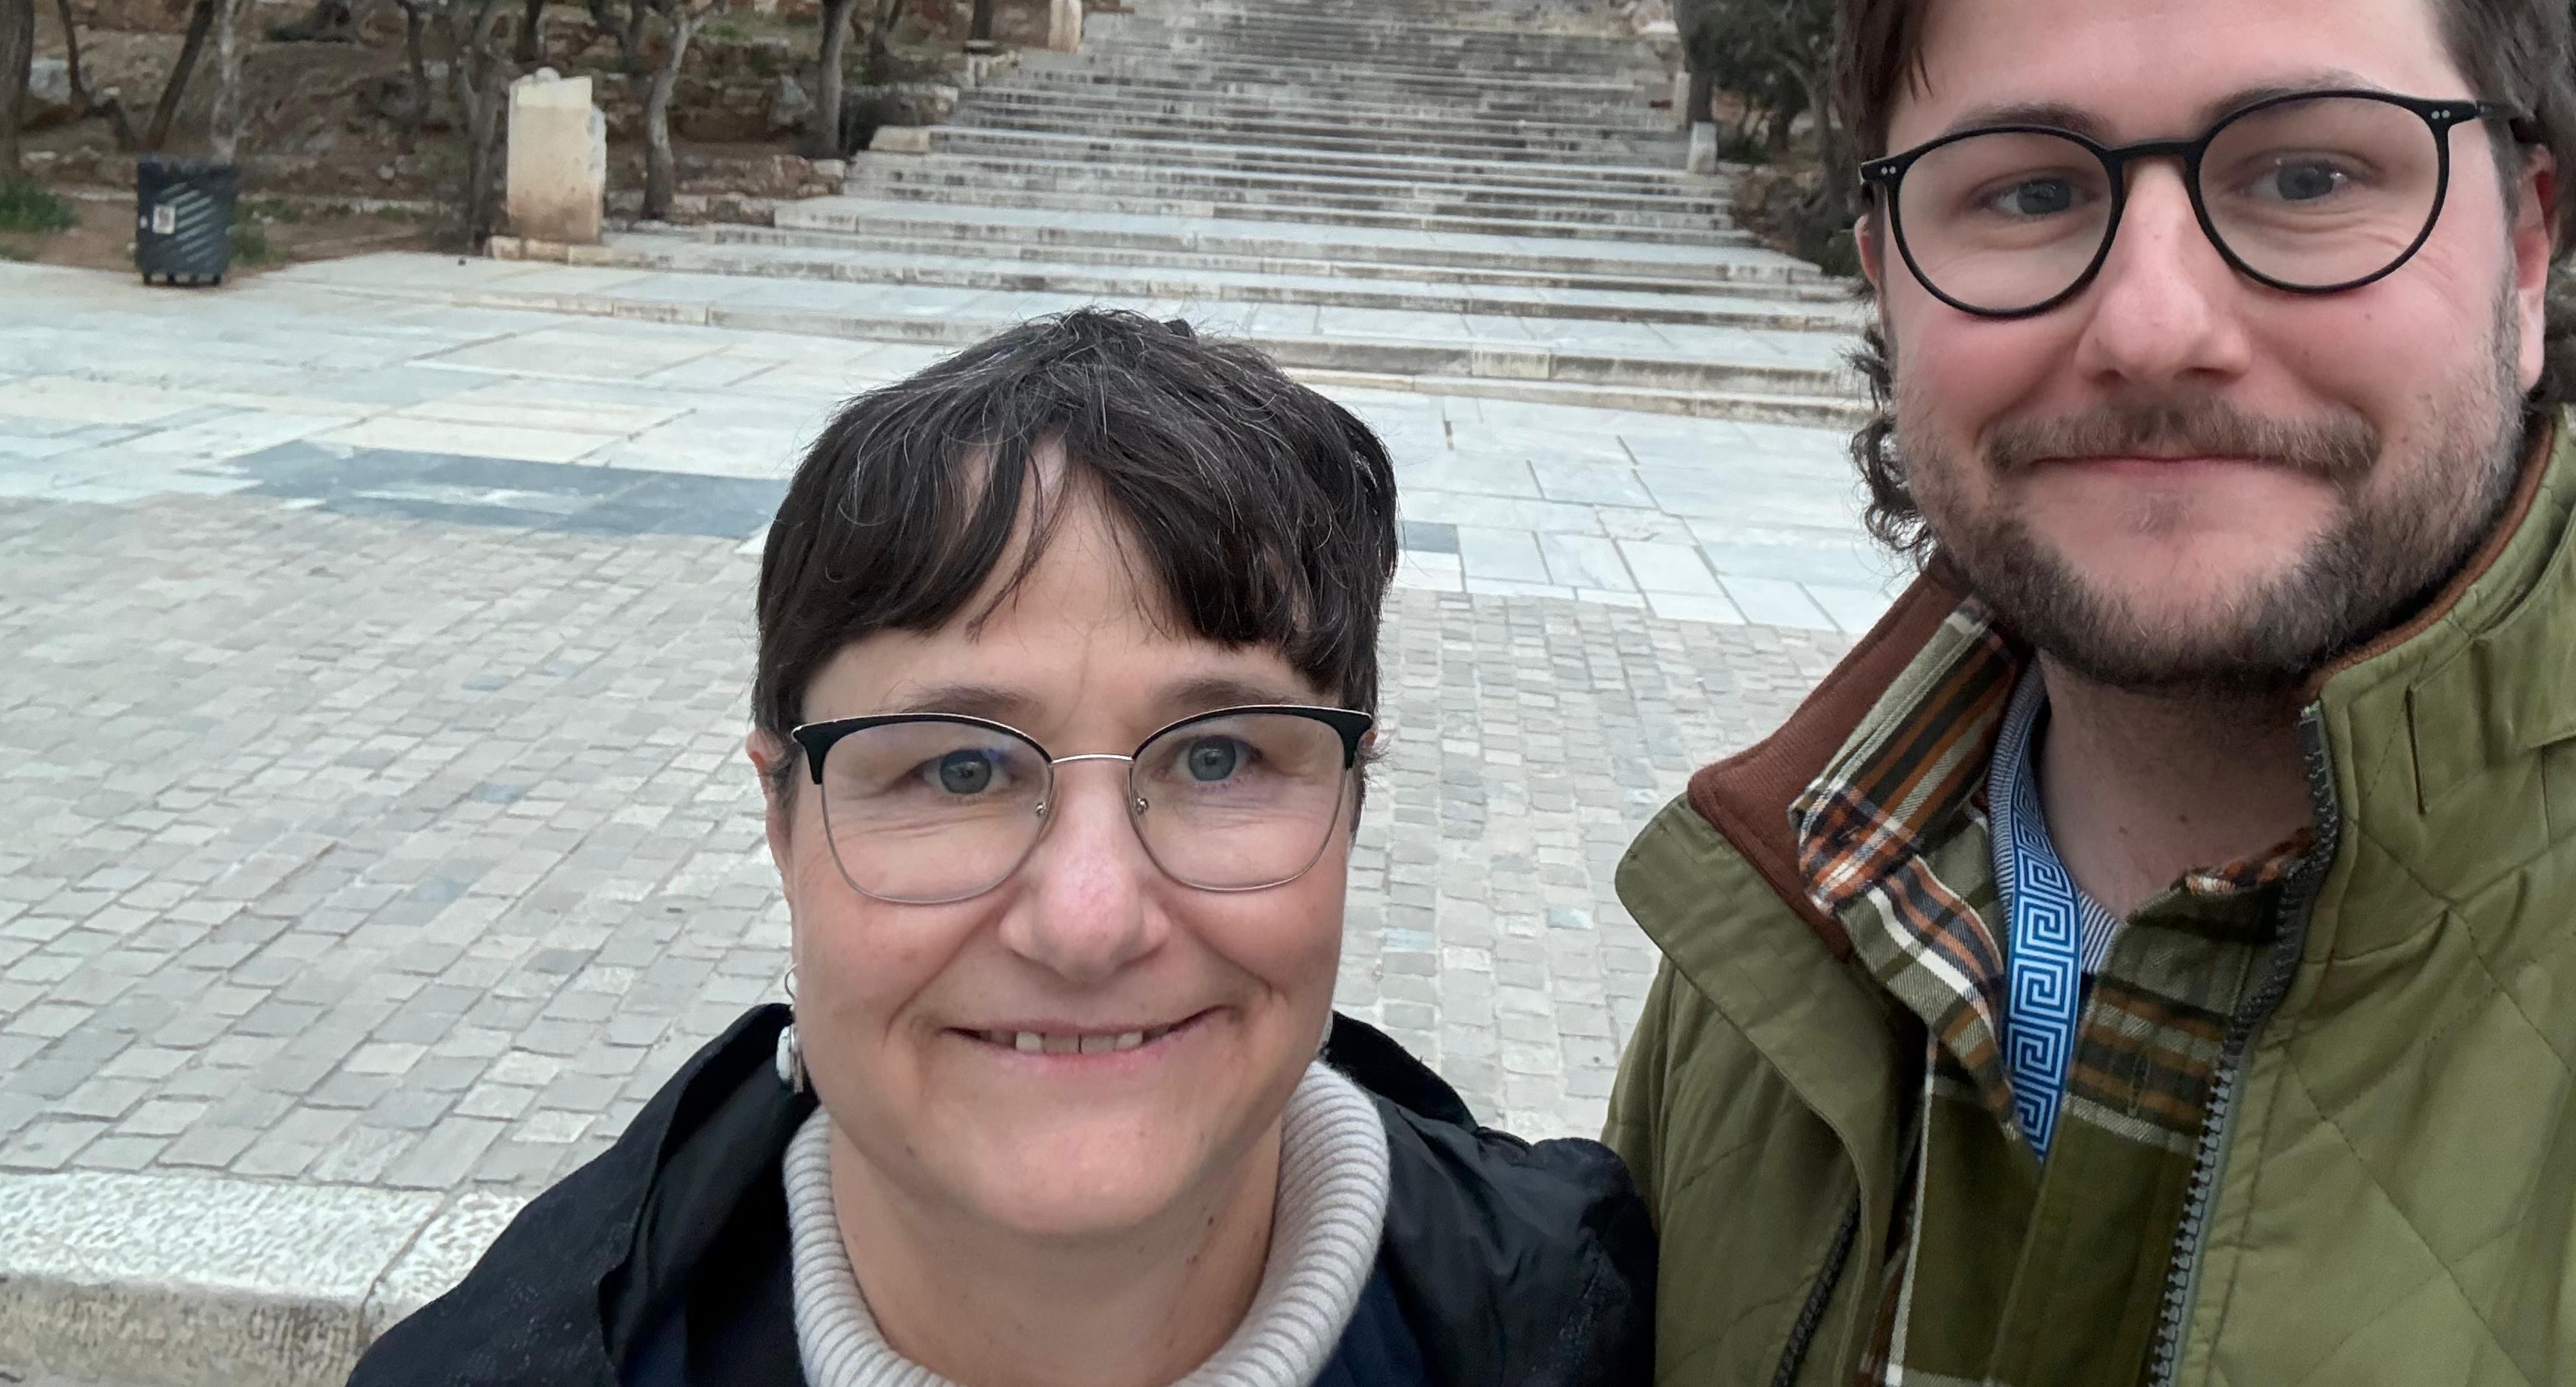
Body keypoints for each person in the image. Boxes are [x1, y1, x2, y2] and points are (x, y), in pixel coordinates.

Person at [1605, 0, 2576, 1386]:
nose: (2154, 326)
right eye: (2024, 190)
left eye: (2307, 178)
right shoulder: (1764, 949)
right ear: (1888, 281)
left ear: (2525, 253)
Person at [359, 308, 1652, 1387]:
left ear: (1354, 805)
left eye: (1218, 758)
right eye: (958, 769)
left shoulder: (1618, 1332)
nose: (1088, 922)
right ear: (782, 819)